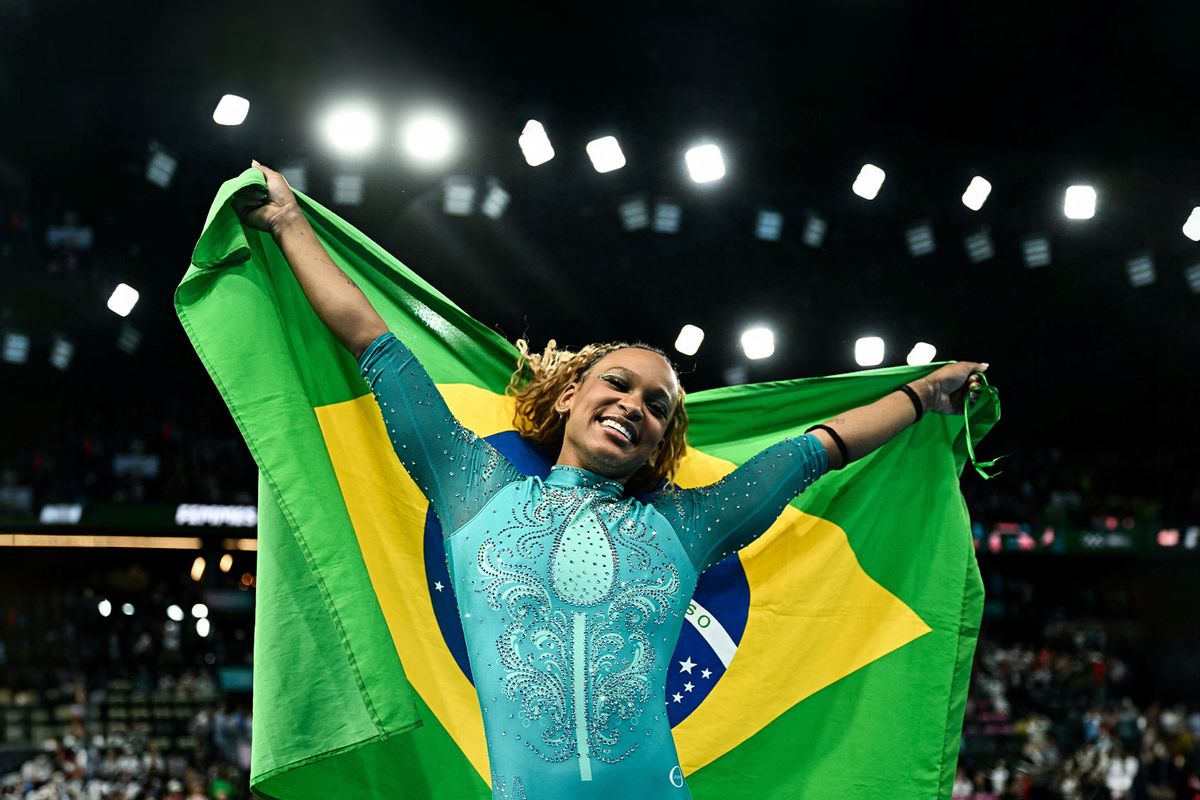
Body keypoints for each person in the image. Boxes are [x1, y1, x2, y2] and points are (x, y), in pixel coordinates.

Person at [235, 161, 989, 800]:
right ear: (570, 394)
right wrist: (292, 223)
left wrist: (926, 396)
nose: (633, 405)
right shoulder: (474, 489)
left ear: (661, 443)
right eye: (618, 384)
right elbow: (374, 343)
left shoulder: (689, 528)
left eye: (656, 406)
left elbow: (817, 448)